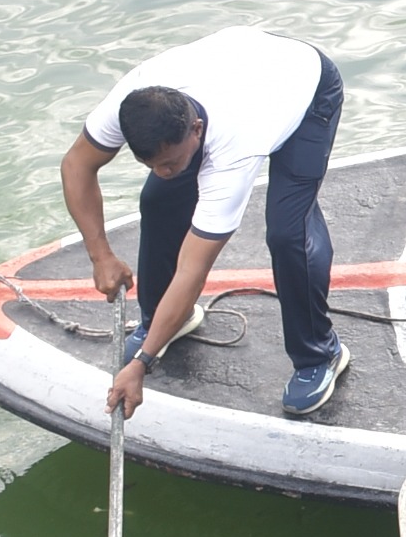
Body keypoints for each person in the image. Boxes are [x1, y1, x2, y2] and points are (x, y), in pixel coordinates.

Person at [59, 27, 347, 419]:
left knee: (287, 232)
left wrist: (140, 363)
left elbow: (193, 268)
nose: (162, 171)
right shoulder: (134, 100)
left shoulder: (235, 148)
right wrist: (100, 256)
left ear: (196, 130)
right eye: (150, 164)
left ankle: (321, 354)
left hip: (305, 88)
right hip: (241, 69)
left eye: (170, 162)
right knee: (158, 198)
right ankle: (168, 318)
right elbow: (77, 164)